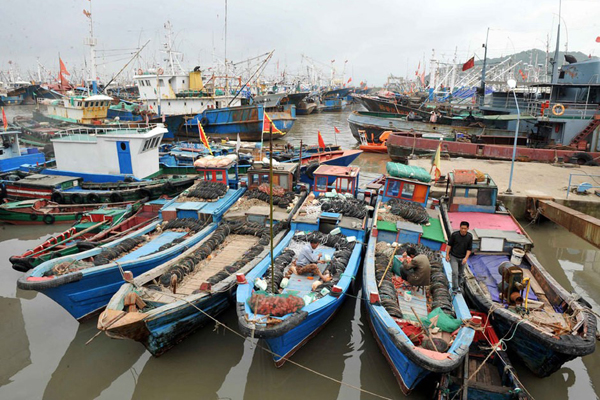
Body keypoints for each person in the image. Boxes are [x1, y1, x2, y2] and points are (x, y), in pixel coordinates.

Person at [446, 221, 473, 293]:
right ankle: (454, 288)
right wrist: (447, 255)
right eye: (462, 228)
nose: (463, 230)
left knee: (461, 274)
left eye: (465, 228)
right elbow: (449, 245)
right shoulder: (455, 235)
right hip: (454, 256)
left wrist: (466, 258)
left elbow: (469, 249)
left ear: (468, 228)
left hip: (463, 258)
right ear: (460, 228)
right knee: (455, 272)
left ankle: (459, 286)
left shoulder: (469, 236)